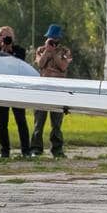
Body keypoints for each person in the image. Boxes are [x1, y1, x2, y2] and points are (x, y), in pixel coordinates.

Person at [30, 23, 72, 157]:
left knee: (56, 122)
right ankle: (36, 148)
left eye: (55, 38)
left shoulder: (64, 51)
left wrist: (54, 54)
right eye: (50, 38)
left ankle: (57, 149)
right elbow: (40, 64)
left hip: (58, 90)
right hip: (43, 89)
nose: (53, 40)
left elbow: (63, 67)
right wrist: (47, 51)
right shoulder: (41, 50)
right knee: (39, 120)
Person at [0, 26, 32, 158]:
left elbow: (19, 63)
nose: (6, 39)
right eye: (3, 36)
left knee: (21, 120)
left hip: (16, 89)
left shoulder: (19, 50)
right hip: (1, 90)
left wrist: (9, 51)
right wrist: (2, 50)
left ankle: (26, 150)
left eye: (8, 36)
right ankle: (4, 150)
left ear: (13, 37)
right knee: (2, 122)